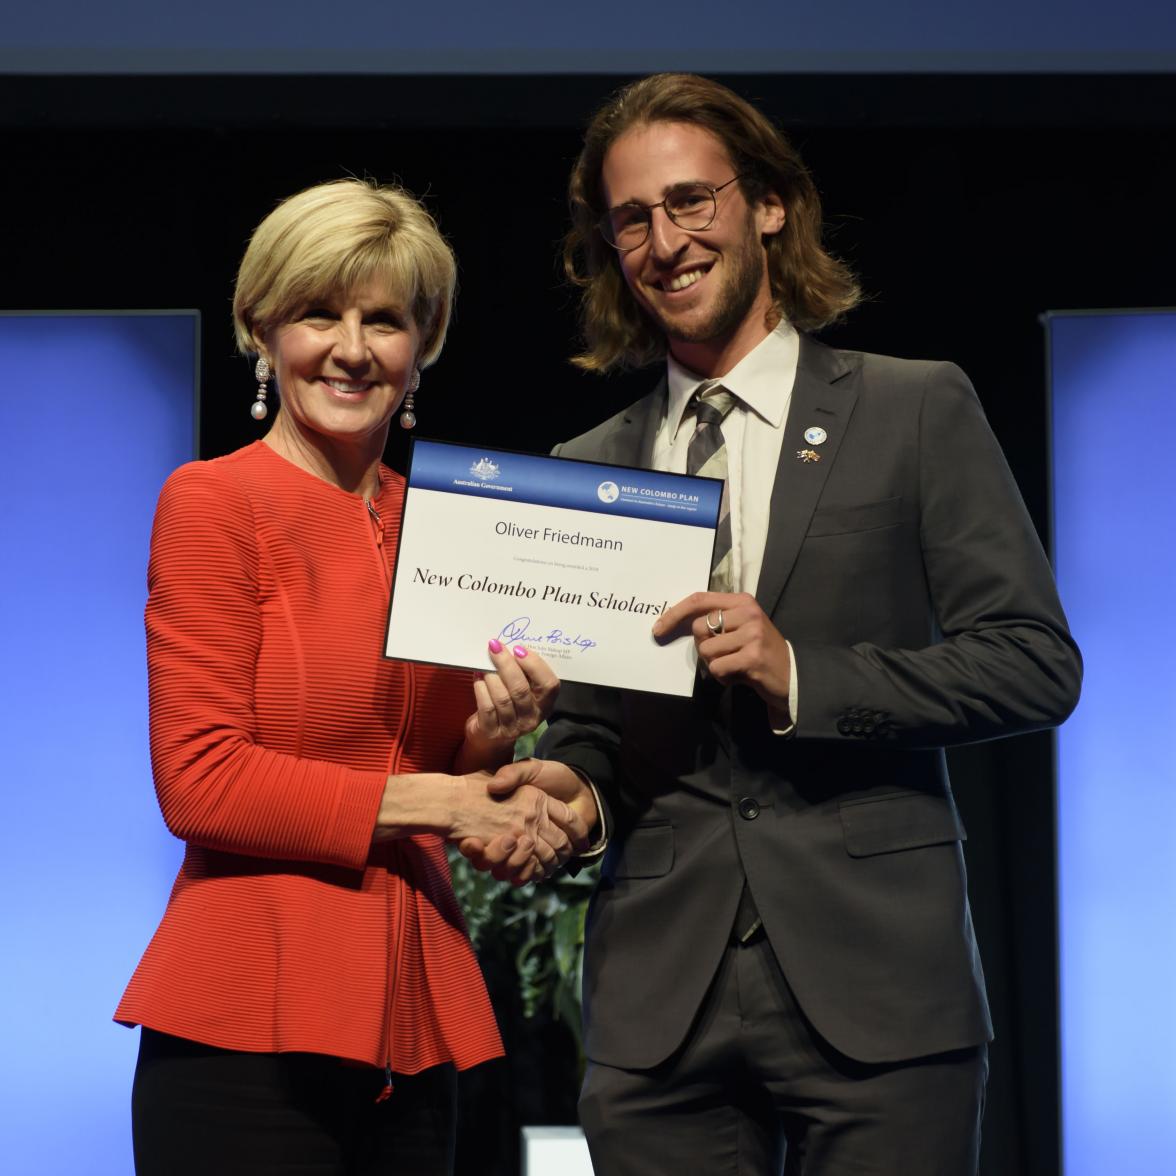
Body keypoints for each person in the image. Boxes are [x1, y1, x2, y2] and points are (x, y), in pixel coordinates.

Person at [464, 74, 1082, 1174]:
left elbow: (1035, 667)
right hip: (661, 1006)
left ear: (770, 204)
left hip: (881, 984)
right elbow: (605, 734)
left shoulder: (913, 408)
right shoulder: (583, 471)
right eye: (634, 219)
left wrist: (804, 676)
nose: (667, 240)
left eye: (693, 200)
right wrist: (571, 789)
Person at [115, 178, 588, 1176]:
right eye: (318, 314)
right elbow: (199, 780)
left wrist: (497, 750)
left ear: (427, 339)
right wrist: (450, 801)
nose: (351, 347)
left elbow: (447, 783)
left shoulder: (451, 525)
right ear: (260, 328)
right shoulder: (211, 503)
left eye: (384, 319)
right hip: (245, 1022)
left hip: (413, 1015)